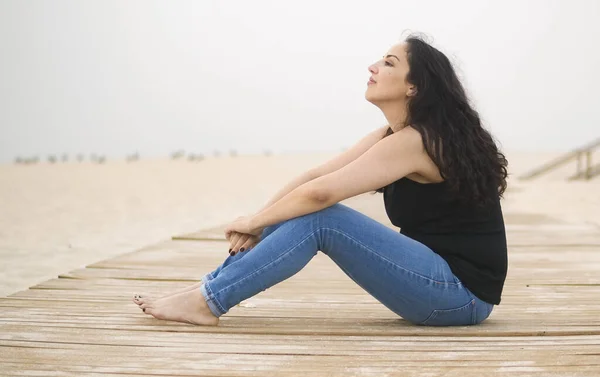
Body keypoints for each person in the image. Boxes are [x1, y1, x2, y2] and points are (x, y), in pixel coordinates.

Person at [133, 34, 508, 327]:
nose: (374, 66)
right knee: (303, 209)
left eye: (388, 62)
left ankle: (206, 300)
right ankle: (206, 290)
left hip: (460, 297)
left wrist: (255, 222)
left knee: (322, 216)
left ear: (414, 87)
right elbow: (316, 176)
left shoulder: (418, 141)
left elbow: (322, 194)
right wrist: (261, 220)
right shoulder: (391, 136)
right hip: (439, 286)